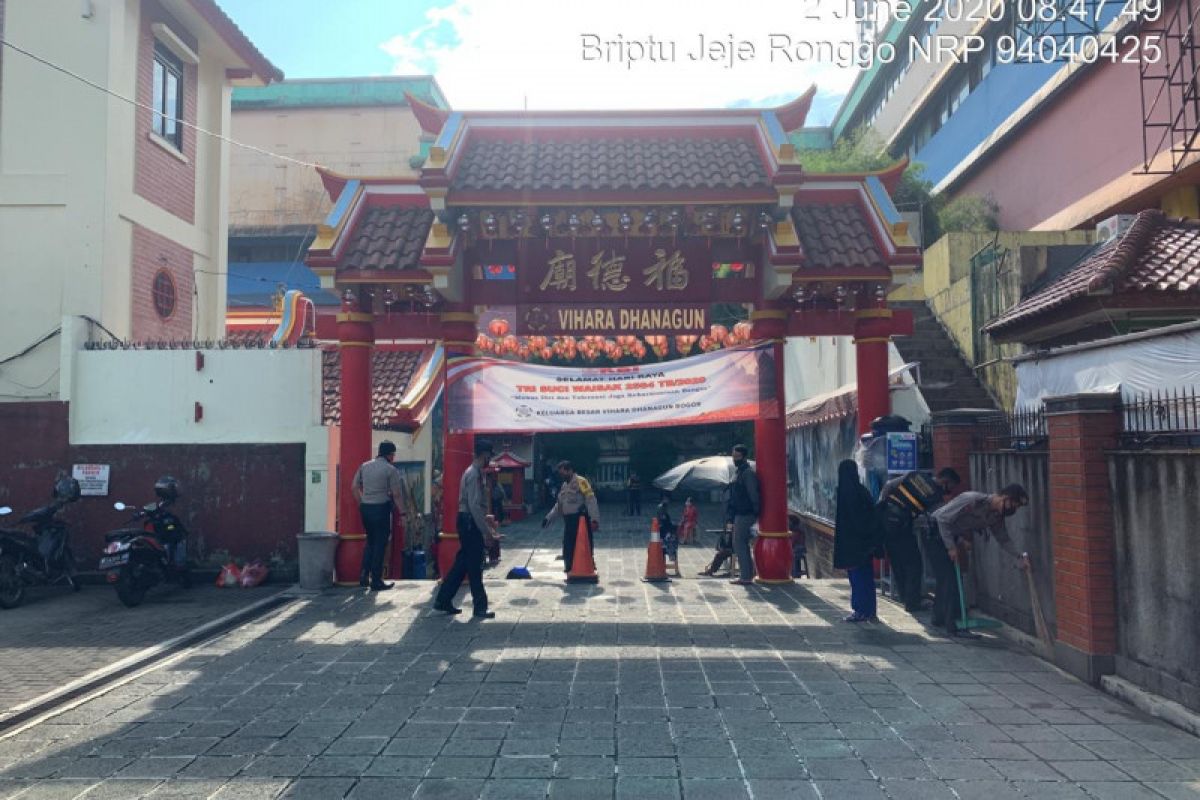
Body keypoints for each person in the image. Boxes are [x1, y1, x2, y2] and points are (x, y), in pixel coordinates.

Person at [928, 483, 1031, 638]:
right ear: (1004, 497)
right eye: (1013, 504)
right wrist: (950, 547)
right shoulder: (971, 499)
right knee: (950, 581)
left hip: (951, 538)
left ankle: (938, 619)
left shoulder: (995, 516)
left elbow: (1003, 539)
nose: (1013, 510)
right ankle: (953, 627)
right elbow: (942, 519)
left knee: (948, 580)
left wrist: (1020, 556)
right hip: (935, 533)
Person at [878, 467, 961, 613]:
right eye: (951, 488)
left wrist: (882, 505)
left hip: (885, 521)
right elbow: (940, 518)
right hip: (901, 526)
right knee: (914, 564)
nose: (950, 492)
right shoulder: (935, 497)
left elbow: (888, 485)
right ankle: (912, 603)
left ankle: (904, 597)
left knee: (897, 561)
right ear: (945, 481)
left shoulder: (915, 475)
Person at [433, 439, 495, 618]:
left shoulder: (472, 472)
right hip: (470, 522)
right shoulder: (474, 474)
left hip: (466, 520)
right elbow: (474, 505)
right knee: (475, 565)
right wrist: (487, 532)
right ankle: (480, 607)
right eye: (489, 456)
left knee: (462, 563)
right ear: (484, 455)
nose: (490, 459)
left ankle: (443, 599)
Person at [351, 441, 407, 591]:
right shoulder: (390, 469)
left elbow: (354, 486)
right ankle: (376, 579)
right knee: (380, 544)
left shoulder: (365, 466)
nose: (393, 457)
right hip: (381, 509)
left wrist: (362, 502)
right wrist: (403, 513)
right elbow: (396, 494)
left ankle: (364, 574)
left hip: (366, 509)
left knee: (370, 541)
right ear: (390, 455)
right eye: (393, 455)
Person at [833, 459, 884, 622]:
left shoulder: (846, 494)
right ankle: (869, 609)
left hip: (852, 544)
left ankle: (860, 609)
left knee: (857, 578)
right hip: (864, 543)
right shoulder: (862, 491)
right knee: (865, 577)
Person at [543, 460, 600, 573]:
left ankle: (589, 565)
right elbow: (558, 505)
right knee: (568, 545)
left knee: (584, 544)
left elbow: (590, 500)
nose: (561, 476)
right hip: (568, 521)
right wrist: (548, 518)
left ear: (569, 470)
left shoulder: (581, 481)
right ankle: (569, 568)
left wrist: (594, 519)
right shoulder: (564, 486)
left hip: (580, 520)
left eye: (563, 473)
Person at [726, 444, 760, 585]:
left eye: (738, 457)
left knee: (739, 543)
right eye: (733, 456)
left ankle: (746, 575)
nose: (735, 459)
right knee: (739, 543)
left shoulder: (747, 473)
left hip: (746, 513)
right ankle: (747, 573)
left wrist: (756, 512)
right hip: (739, 512)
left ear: (744, 457)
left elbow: (753, 495)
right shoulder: (738, 472)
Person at [656, 494, 679, 567]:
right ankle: (669, 557)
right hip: (665, 539)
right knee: (667, 545)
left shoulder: (664, 515)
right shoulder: (663, 514)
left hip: (665, 535)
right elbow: (667, 524)